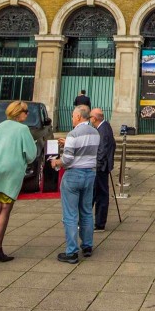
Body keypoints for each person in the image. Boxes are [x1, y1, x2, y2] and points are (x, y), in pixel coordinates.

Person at [0, 101, 39, 262]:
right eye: (25, 111)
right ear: (18, 112)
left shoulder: (1, 126)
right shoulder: (23, 129)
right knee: (6, 209)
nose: (27, 114)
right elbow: (31, 155)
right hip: (11, 171)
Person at [52, 105, 100, 264]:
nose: (72, 118)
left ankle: (71, 251)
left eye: (73, 116)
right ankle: (87, 246)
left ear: (79, 117)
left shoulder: (73, 134)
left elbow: (67, 160)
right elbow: (86, 150)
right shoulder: (95, 132)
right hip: (89, 173)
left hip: (73, 175)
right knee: (86, 211)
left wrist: (56, 162)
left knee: (70, 214)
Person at [89, 108, 115, 230]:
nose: (89, 119)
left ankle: (99, 223)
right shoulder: (104, 127)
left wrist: (98, 164)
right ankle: (93, 221)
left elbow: (103, 149)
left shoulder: (103, 129)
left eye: (90, 117)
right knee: (97, 194)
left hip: (101, 167)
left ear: (94, 118)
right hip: (103, 166)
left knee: (100, 195)